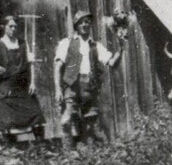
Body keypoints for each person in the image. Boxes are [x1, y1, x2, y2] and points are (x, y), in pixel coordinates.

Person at [53, 10, 125, 146]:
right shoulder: (66, 43)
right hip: (72, 86)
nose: (85, 25)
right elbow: (57, 66)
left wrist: (121, 48)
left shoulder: (96, 45)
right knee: (66, 121)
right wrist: (57, 89)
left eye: (87, 22)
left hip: (89, 87)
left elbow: (112, 63)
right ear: (76, 25)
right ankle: (68, 155)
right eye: (81, 22)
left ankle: (88, 155)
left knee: (90, 124)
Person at [0, 15, 45, 137]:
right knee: (8, 124)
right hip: (6, 90)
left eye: (15, 26)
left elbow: (31, 64)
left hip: (23, 88)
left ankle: (41, 149)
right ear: (3, 28)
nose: (13, 29)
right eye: (10, 26)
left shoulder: (23, 43)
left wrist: (33, 82)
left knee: (37, 117)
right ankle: (11, 151)